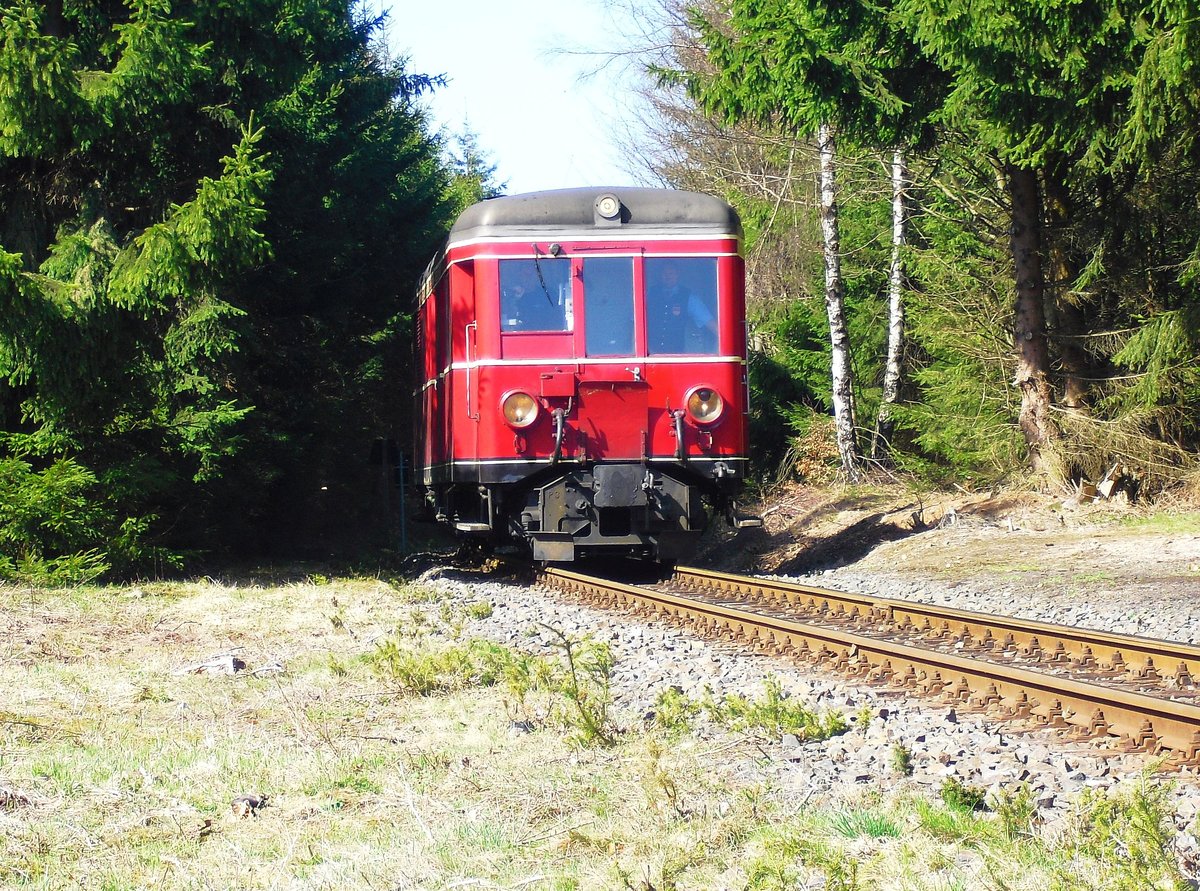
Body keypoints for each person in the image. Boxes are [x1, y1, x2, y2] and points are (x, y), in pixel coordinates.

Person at [649, 263, 717, 353]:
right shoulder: (650, 294)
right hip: (651, 354)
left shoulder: (689, 297)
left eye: (671, 273)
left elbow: (709, 322)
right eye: (664, 273)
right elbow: (636, 323)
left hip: (676, 355)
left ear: (678, 275)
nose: (667, 276)